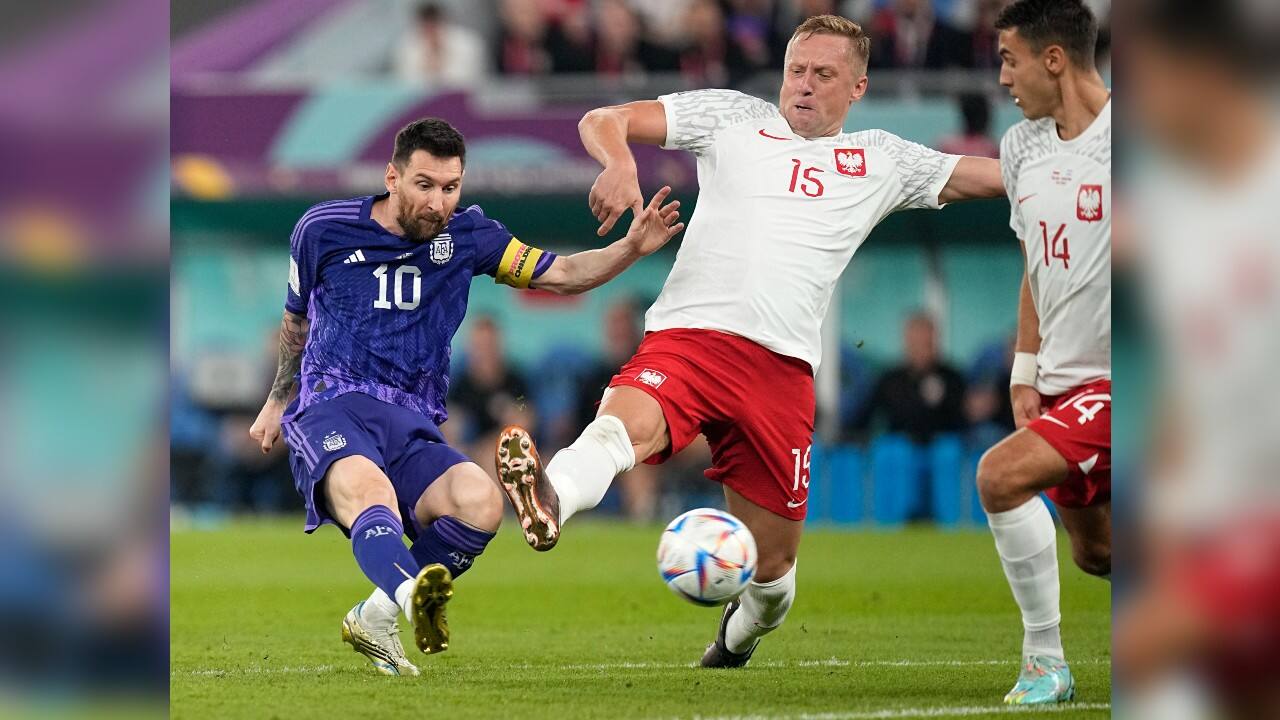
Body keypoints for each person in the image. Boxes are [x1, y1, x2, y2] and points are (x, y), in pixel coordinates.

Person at [493, 13, 1003, 668]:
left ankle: (737, 639)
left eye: (824, 75)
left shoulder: (882, 157)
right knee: (620, 429)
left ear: (859, 86)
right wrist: (619, 161)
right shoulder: (732, 117)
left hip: (781, 372)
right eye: (797, 70)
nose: (805, 85)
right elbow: (604, 116)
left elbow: (988, 177)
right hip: (691, 338)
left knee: (774, 576)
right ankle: (549, 499)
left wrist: (1066, 176)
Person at [247, 118, 683, 676]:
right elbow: (295, 322)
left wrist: (632, 247)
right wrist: (277, 399)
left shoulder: (471, 238)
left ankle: (376, 615)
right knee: (369, 489)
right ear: (392, 177)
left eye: (451, 187)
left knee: (480, 502)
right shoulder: (323, 229)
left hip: (409, 417)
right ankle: (413, 600)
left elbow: (566, 273)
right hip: (333, 399)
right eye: (425, 185)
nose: (438, 202)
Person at [975, 0, 1111, 705]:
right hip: (1061, 382)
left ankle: (1045, 665)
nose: (1002, 77)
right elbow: (1035, 264)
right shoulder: (1022, 147)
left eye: (1009, 58)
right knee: (1097, 554)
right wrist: (1027, 370)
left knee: (999, 477)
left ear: (1053, 59)